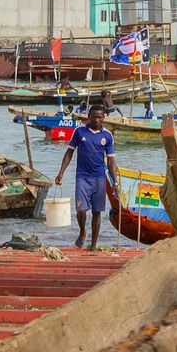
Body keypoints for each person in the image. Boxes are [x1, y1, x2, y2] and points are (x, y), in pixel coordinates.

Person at [54, 104, 117, 251]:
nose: (96, 120)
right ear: (89, 116)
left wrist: (115, 182)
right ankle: (82, 231)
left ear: (103, 118)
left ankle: (93, 246)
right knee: (81, 211)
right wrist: (61, 172)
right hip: (82, 177)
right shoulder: (79, 132)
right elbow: (69, 152)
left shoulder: (107, 136)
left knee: (96, 212)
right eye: (93, 117)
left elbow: (111, 160)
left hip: (99, 178)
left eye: (99, 117)